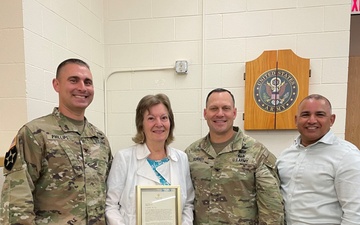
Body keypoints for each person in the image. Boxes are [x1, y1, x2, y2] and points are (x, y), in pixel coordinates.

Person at [0, 58, 113, 224]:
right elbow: (16, 201)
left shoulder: (99, 139)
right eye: (73, 80)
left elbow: (109, 195)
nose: (82, 87)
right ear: (56, 85)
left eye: (87, 82)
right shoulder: (35, 133)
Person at [185, 88, 284, 224]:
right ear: (205, 113)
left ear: (234, 113)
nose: (220, 114)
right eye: (214, 108)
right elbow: (184, 202)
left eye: (226, 108)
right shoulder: (191, 153)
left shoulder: (256, 152)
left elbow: (272, 210)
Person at [105, 93, 194, 225]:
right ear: (141, 124)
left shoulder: (181, 158)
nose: (159, 124)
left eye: (164, 118)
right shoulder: (124, 158)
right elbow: (111, 205)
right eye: (151, 118)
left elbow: (187, 205)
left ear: (170, 122)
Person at [276, 94, 360, 224]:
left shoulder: (347, 155)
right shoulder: (286, 155)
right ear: (296, 119)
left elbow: (354, 213)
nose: (312, 120)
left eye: (320, 115)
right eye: (305, 115)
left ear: (331, 120)